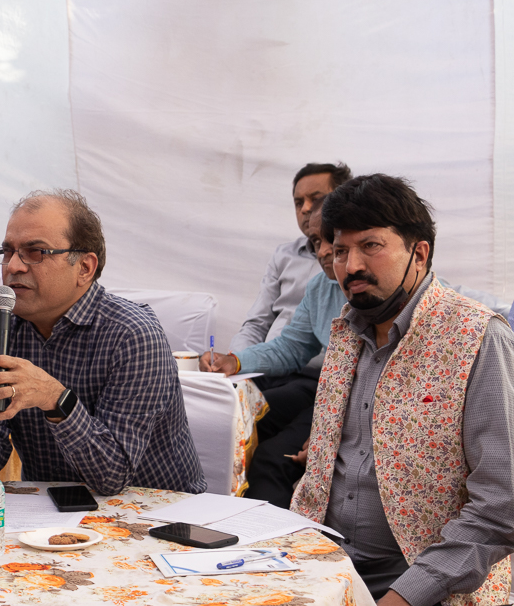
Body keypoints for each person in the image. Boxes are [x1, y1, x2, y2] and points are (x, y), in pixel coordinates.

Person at [290, 174, 514, 604]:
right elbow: (321, 474)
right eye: (340, 251)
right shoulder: (345, 332)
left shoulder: (476, 338)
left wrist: (405, 596)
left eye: (370, 246)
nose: (351, 265)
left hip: (423, 580)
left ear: (419, 252)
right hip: (323, 566)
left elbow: (502, 507)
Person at [0, 189, 205, 495]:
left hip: (159, 515)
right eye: (8, 252)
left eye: (36, 252)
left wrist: (55, 398)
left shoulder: (132, 334)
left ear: (84, 268)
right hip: (50, 516)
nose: (13, 266)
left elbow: (111, 478)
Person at [204, 198, 341, 507]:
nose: (322, 252)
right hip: (322, 392)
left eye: (332, 239)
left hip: (344, 401)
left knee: (272, 459)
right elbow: (291, 346)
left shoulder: (392, 297)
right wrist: (235, 361)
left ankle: (275, 547)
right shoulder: (321, 287)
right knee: (232, 421)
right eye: (316, 242)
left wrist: (328, 432)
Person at [229, 162, 352, 371]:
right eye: (298, 202)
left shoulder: (358, 273)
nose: (305, 208)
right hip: (271, 362)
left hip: (320, 374)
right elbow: (262, 326)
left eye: (316, 199)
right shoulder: (286, 257)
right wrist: (237, 362)